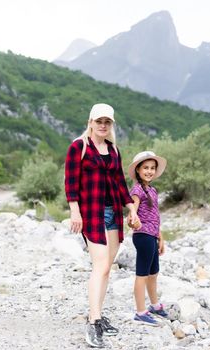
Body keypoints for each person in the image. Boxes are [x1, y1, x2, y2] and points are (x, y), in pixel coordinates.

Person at [65, 103, 141, 348]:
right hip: (91, 213)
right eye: (99, 121)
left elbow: (119, 183)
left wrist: (131, 208)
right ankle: (94, 322)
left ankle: (95, 313)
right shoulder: (79, 147)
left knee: (107, 267)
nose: (102, 125)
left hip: (112, 214)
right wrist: (75, 212)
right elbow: (71, 182)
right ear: (90, 121)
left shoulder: (113, 150)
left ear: (111, 125)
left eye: (107, 122)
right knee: (100, 266)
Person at [127, 151, 169, 326]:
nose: (149, 171)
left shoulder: (152, 190)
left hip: (152, 235)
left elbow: (154, 215)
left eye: (152, 168)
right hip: (143, 235)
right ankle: (140, 312)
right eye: (145, 168)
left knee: (154, 272)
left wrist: (160, 237)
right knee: (142, 274)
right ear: (138, 170)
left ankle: (154, 305)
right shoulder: (137, 190)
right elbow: (132, 210)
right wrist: (132, 219)